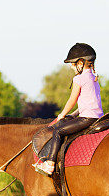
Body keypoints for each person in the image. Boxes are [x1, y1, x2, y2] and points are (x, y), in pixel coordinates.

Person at [33, 43, 103, 176]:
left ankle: (50, 164)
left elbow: (72, 100)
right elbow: (89, 103)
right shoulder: (94, 78)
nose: (71, 67)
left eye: (73, 64)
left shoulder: (79, 78)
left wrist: (62, 115)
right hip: (97, 116)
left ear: (81, 63)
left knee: (58, 132)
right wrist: (73, 114)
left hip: (87, 118)